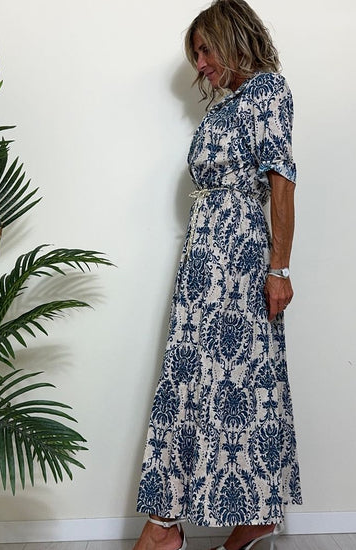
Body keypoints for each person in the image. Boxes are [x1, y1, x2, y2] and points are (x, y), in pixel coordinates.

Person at [134, 1, 301, 549]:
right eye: (196, 56)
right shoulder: (226, 108)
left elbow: (282, 184)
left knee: (242, 383)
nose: (200, 64)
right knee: (189, 381)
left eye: (205, 50)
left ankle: (200, 522)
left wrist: (279, 268)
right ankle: (173, 522)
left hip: (240, 262)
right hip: (202, 261)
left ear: (233, 38)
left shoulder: (269, 92)